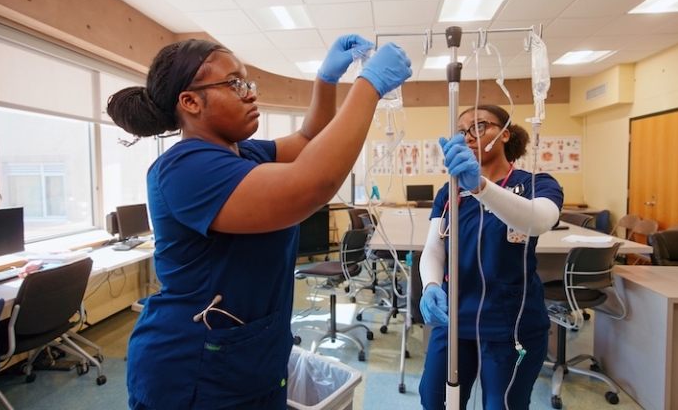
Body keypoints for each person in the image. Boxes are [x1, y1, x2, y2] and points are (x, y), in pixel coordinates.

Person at [106, 36, 412, 410]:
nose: (250, 94)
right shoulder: (185, 168)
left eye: (248, 82)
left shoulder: (243, 152)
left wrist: (325, 80)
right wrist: (369, 86)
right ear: (190, 101)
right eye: (235, 83)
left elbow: (309, 139)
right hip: (192, 370)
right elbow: (311, 183)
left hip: (250, 357)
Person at [418, 105, 563, 410]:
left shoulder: (535, 184)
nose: (469, 136)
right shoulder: (451, 192)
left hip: (511, 323)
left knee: (503, 405)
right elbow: (434, 247)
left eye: (479, 126)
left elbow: (539, 221)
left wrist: (481, 187)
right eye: (462, 130)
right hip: (455, 318)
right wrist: (431, 284)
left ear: (505, 133)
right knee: (435, 400)